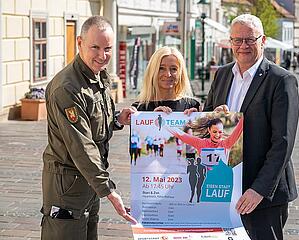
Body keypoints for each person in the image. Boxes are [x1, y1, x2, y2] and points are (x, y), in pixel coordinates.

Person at [203, 14, 299, 239]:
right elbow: (208, 120)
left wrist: (258, 190)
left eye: (250, 40)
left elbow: (282, 143)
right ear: (230, 42)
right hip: (226, 187)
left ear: (263, 40)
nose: (243, 46)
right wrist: (214, 116)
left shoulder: (281, 80)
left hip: (262, 195)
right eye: (237, 40)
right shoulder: (223, 73)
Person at [40, 16, 137, 240]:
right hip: (68, 186)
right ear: (80, 42)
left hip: (89, 183)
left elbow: (93, 122)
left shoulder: (97, 76)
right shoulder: (67, 87)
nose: (102, 56)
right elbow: (81, 145)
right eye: (95, 47)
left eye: (108, 48)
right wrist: (109, 191)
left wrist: (117, 119)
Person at [132, 46, 200, 112]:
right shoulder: (138, 110)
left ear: (181, 73)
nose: (168, 74)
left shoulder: (192, 106)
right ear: (152, 72)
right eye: (161, 68)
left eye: (173, 69)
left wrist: (200, 121)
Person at [165, 115, 243, 166]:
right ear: (209, 130)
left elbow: (239, 128)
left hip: (221, 184)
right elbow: (181, 135)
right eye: (214, 132)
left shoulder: (227, 143)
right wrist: (163, 124)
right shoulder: (201, 143)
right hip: (205, 183)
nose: (217, 135)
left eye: (220, 132)